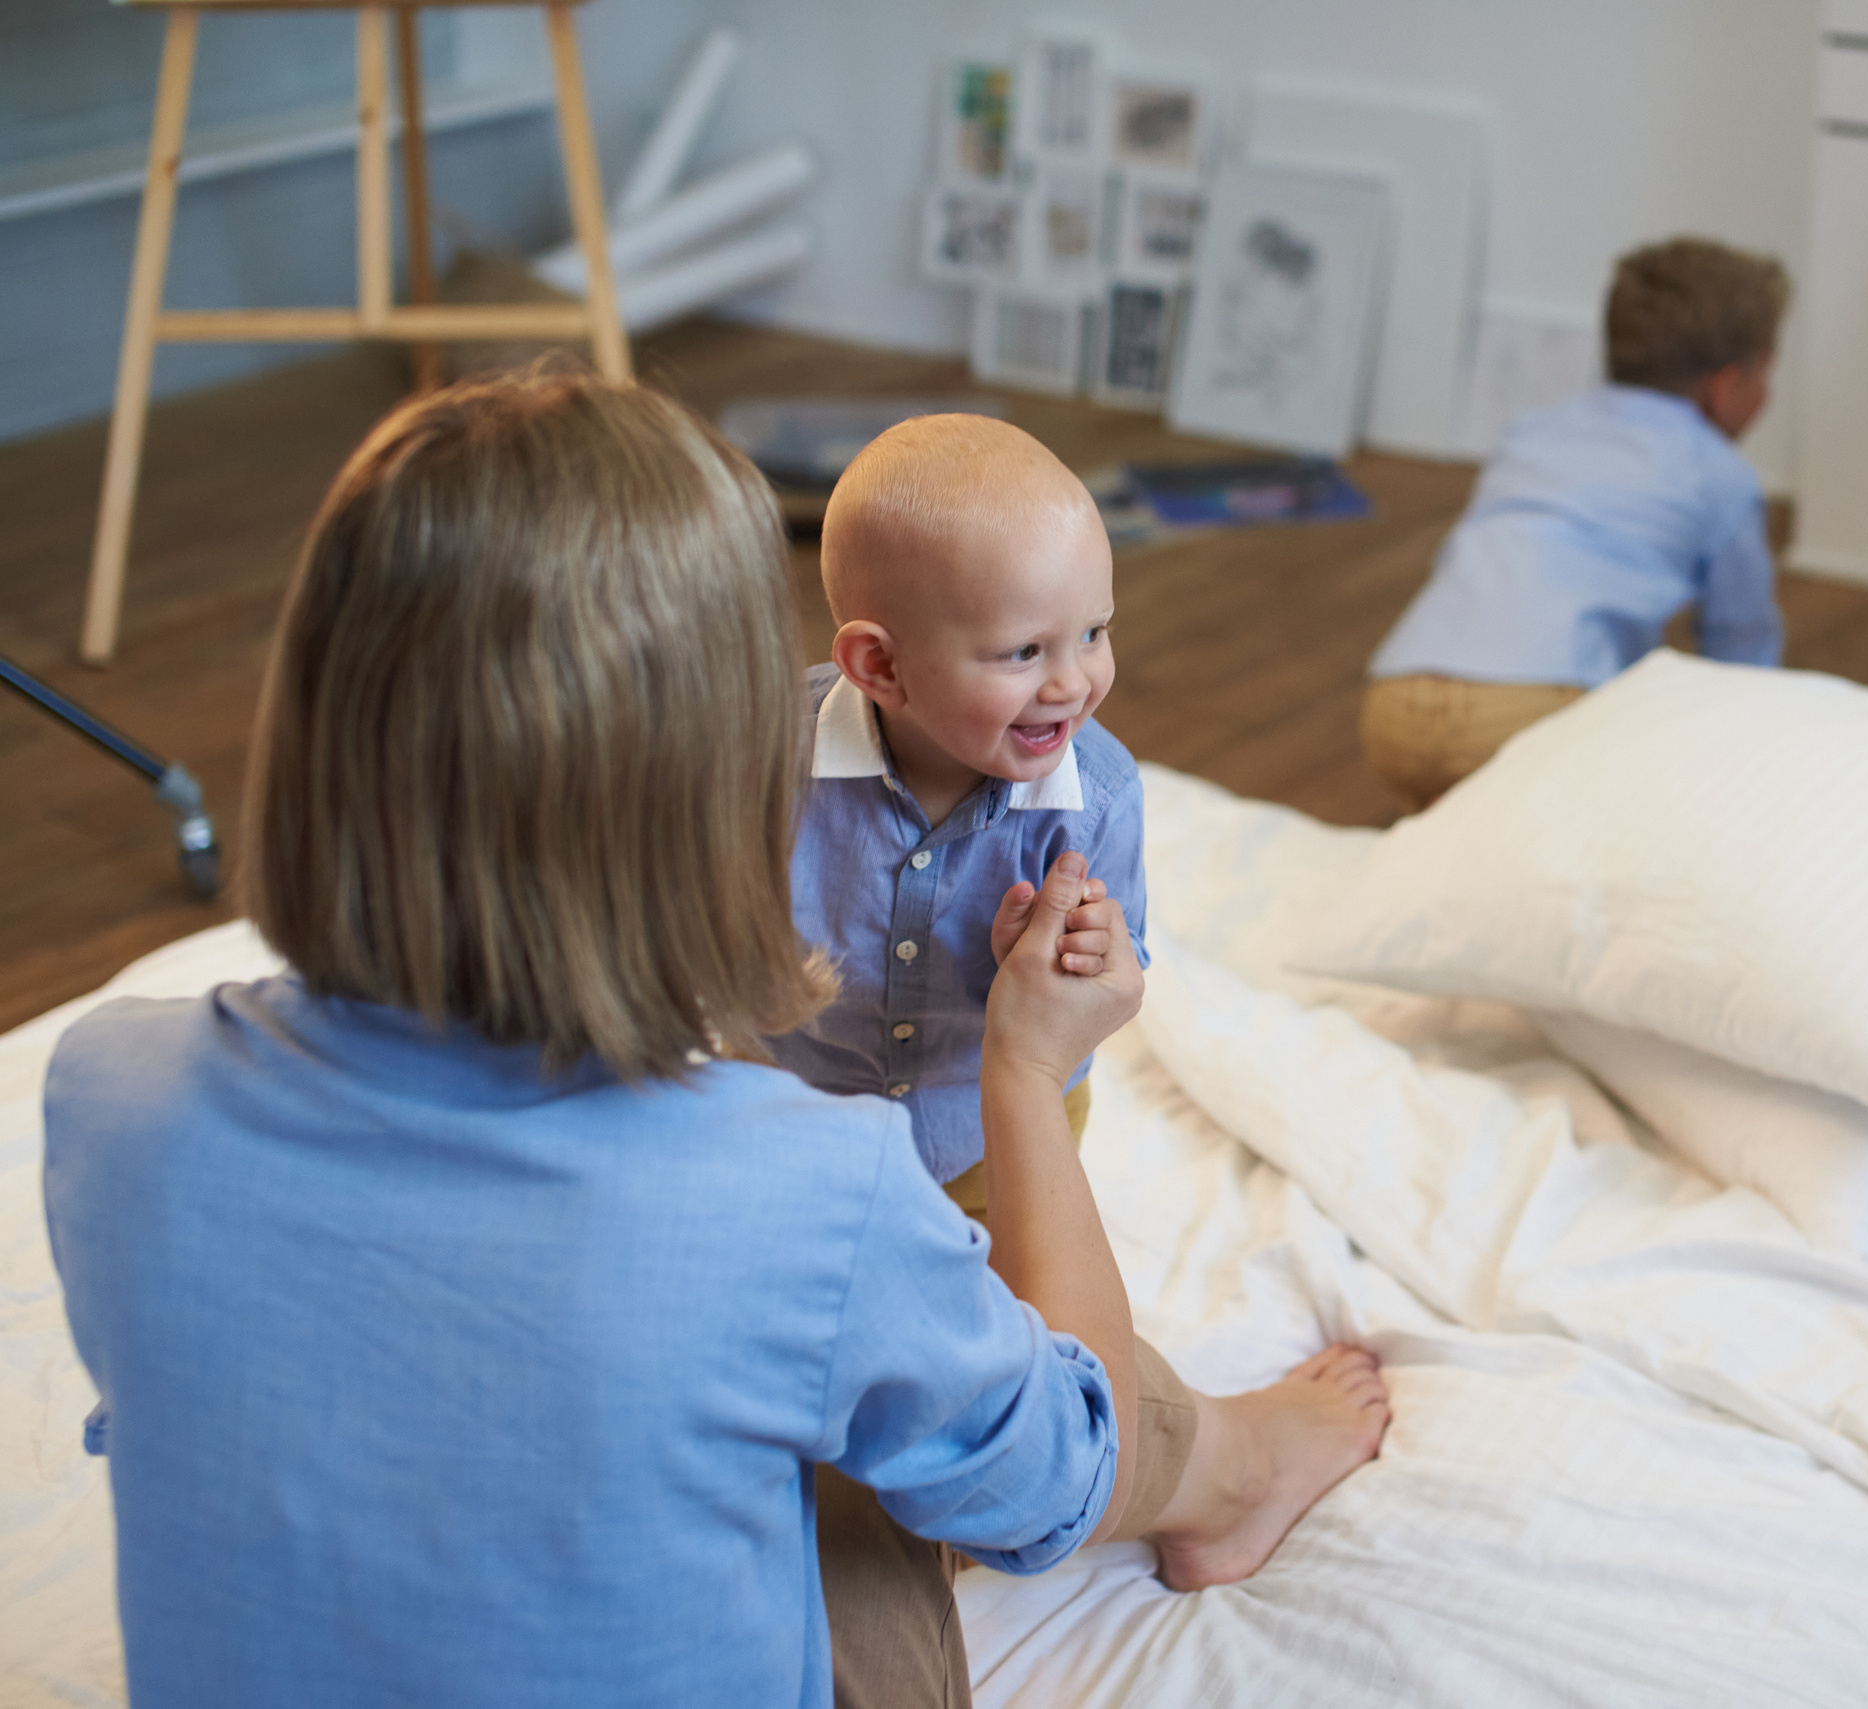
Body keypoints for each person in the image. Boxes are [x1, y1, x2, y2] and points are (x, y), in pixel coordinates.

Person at [37, 374, 1369, 1709]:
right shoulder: (806, 1197)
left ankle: (1223, 1466)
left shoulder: (112, 1091)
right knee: (887, 1409)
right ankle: (1232, 1468)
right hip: (874, 1315)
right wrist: (1021, 1067)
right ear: (716, 775)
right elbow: (1057, 1473)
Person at [770, 413, 1388, 1643]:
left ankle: (1132, 1470)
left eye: (1094, 632)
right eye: (1023, 650)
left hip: (987, 1130)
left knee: (1000, 1340)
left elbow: (1121, 962)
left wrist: (1091, 956)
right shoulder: (761, 759)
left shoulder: (1092, 792)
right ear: (877, 665)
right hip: (803, 1123)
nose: (1074, 680)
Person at [1362, 236, 1792, 807]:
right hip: (1534, 706)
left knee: (1469, 811)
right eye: (1766, 375)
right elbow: (1741, 642)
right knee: (1634, 800)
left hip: (1395, 702)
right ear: (1727, 386)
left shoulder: (1534, 429)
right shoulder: (1720, 475)